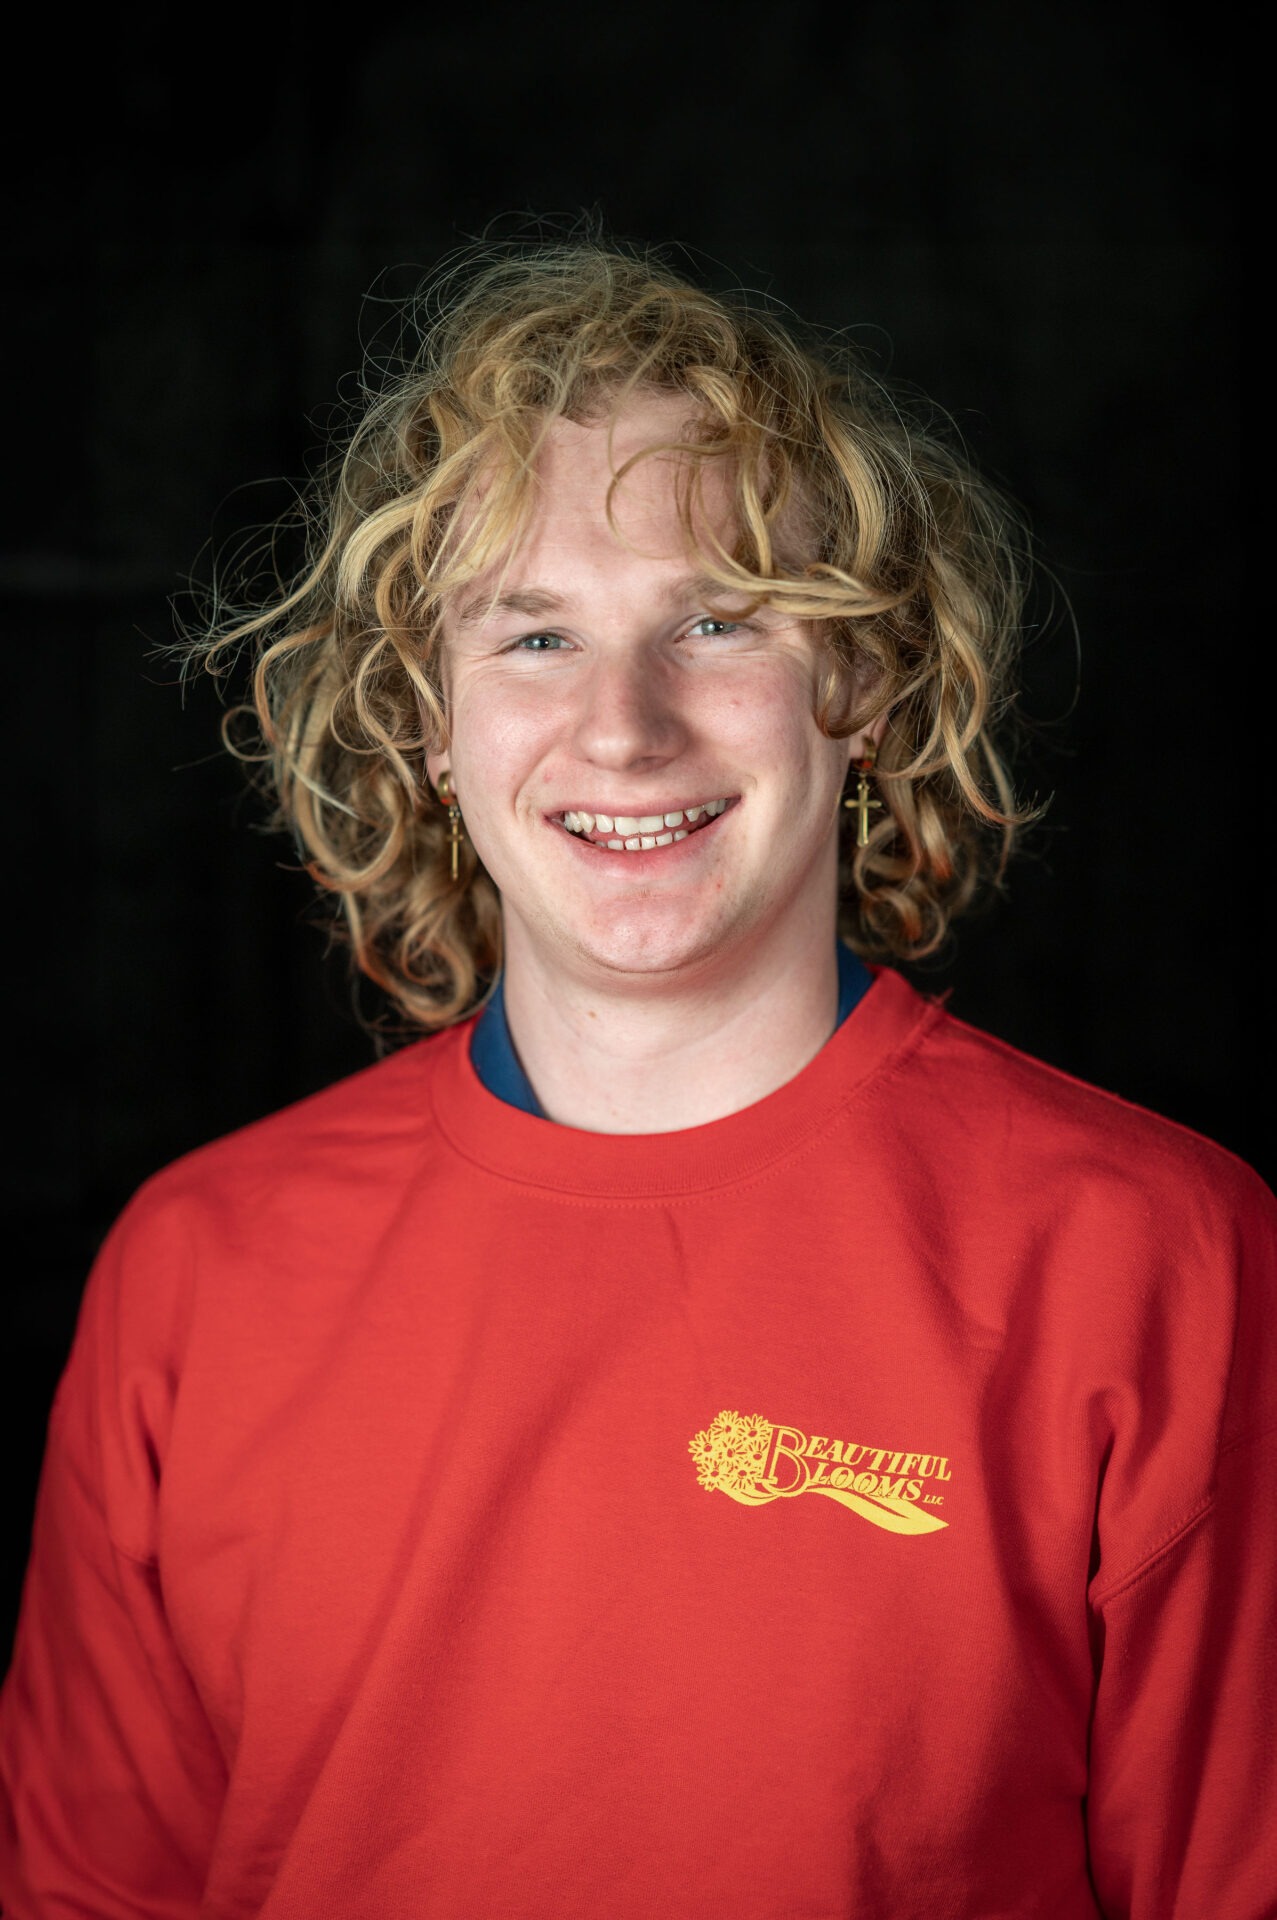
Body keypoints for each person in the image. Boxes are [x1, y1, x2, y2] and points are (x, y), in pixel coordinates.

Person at [1, 241, 1272, 1920]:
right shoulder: (195, 1267)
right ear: (427, 723)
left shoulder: (1153, 1253)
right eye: (532, 636)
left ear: (861, 684)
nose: (623, 728)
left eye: (719, 620)